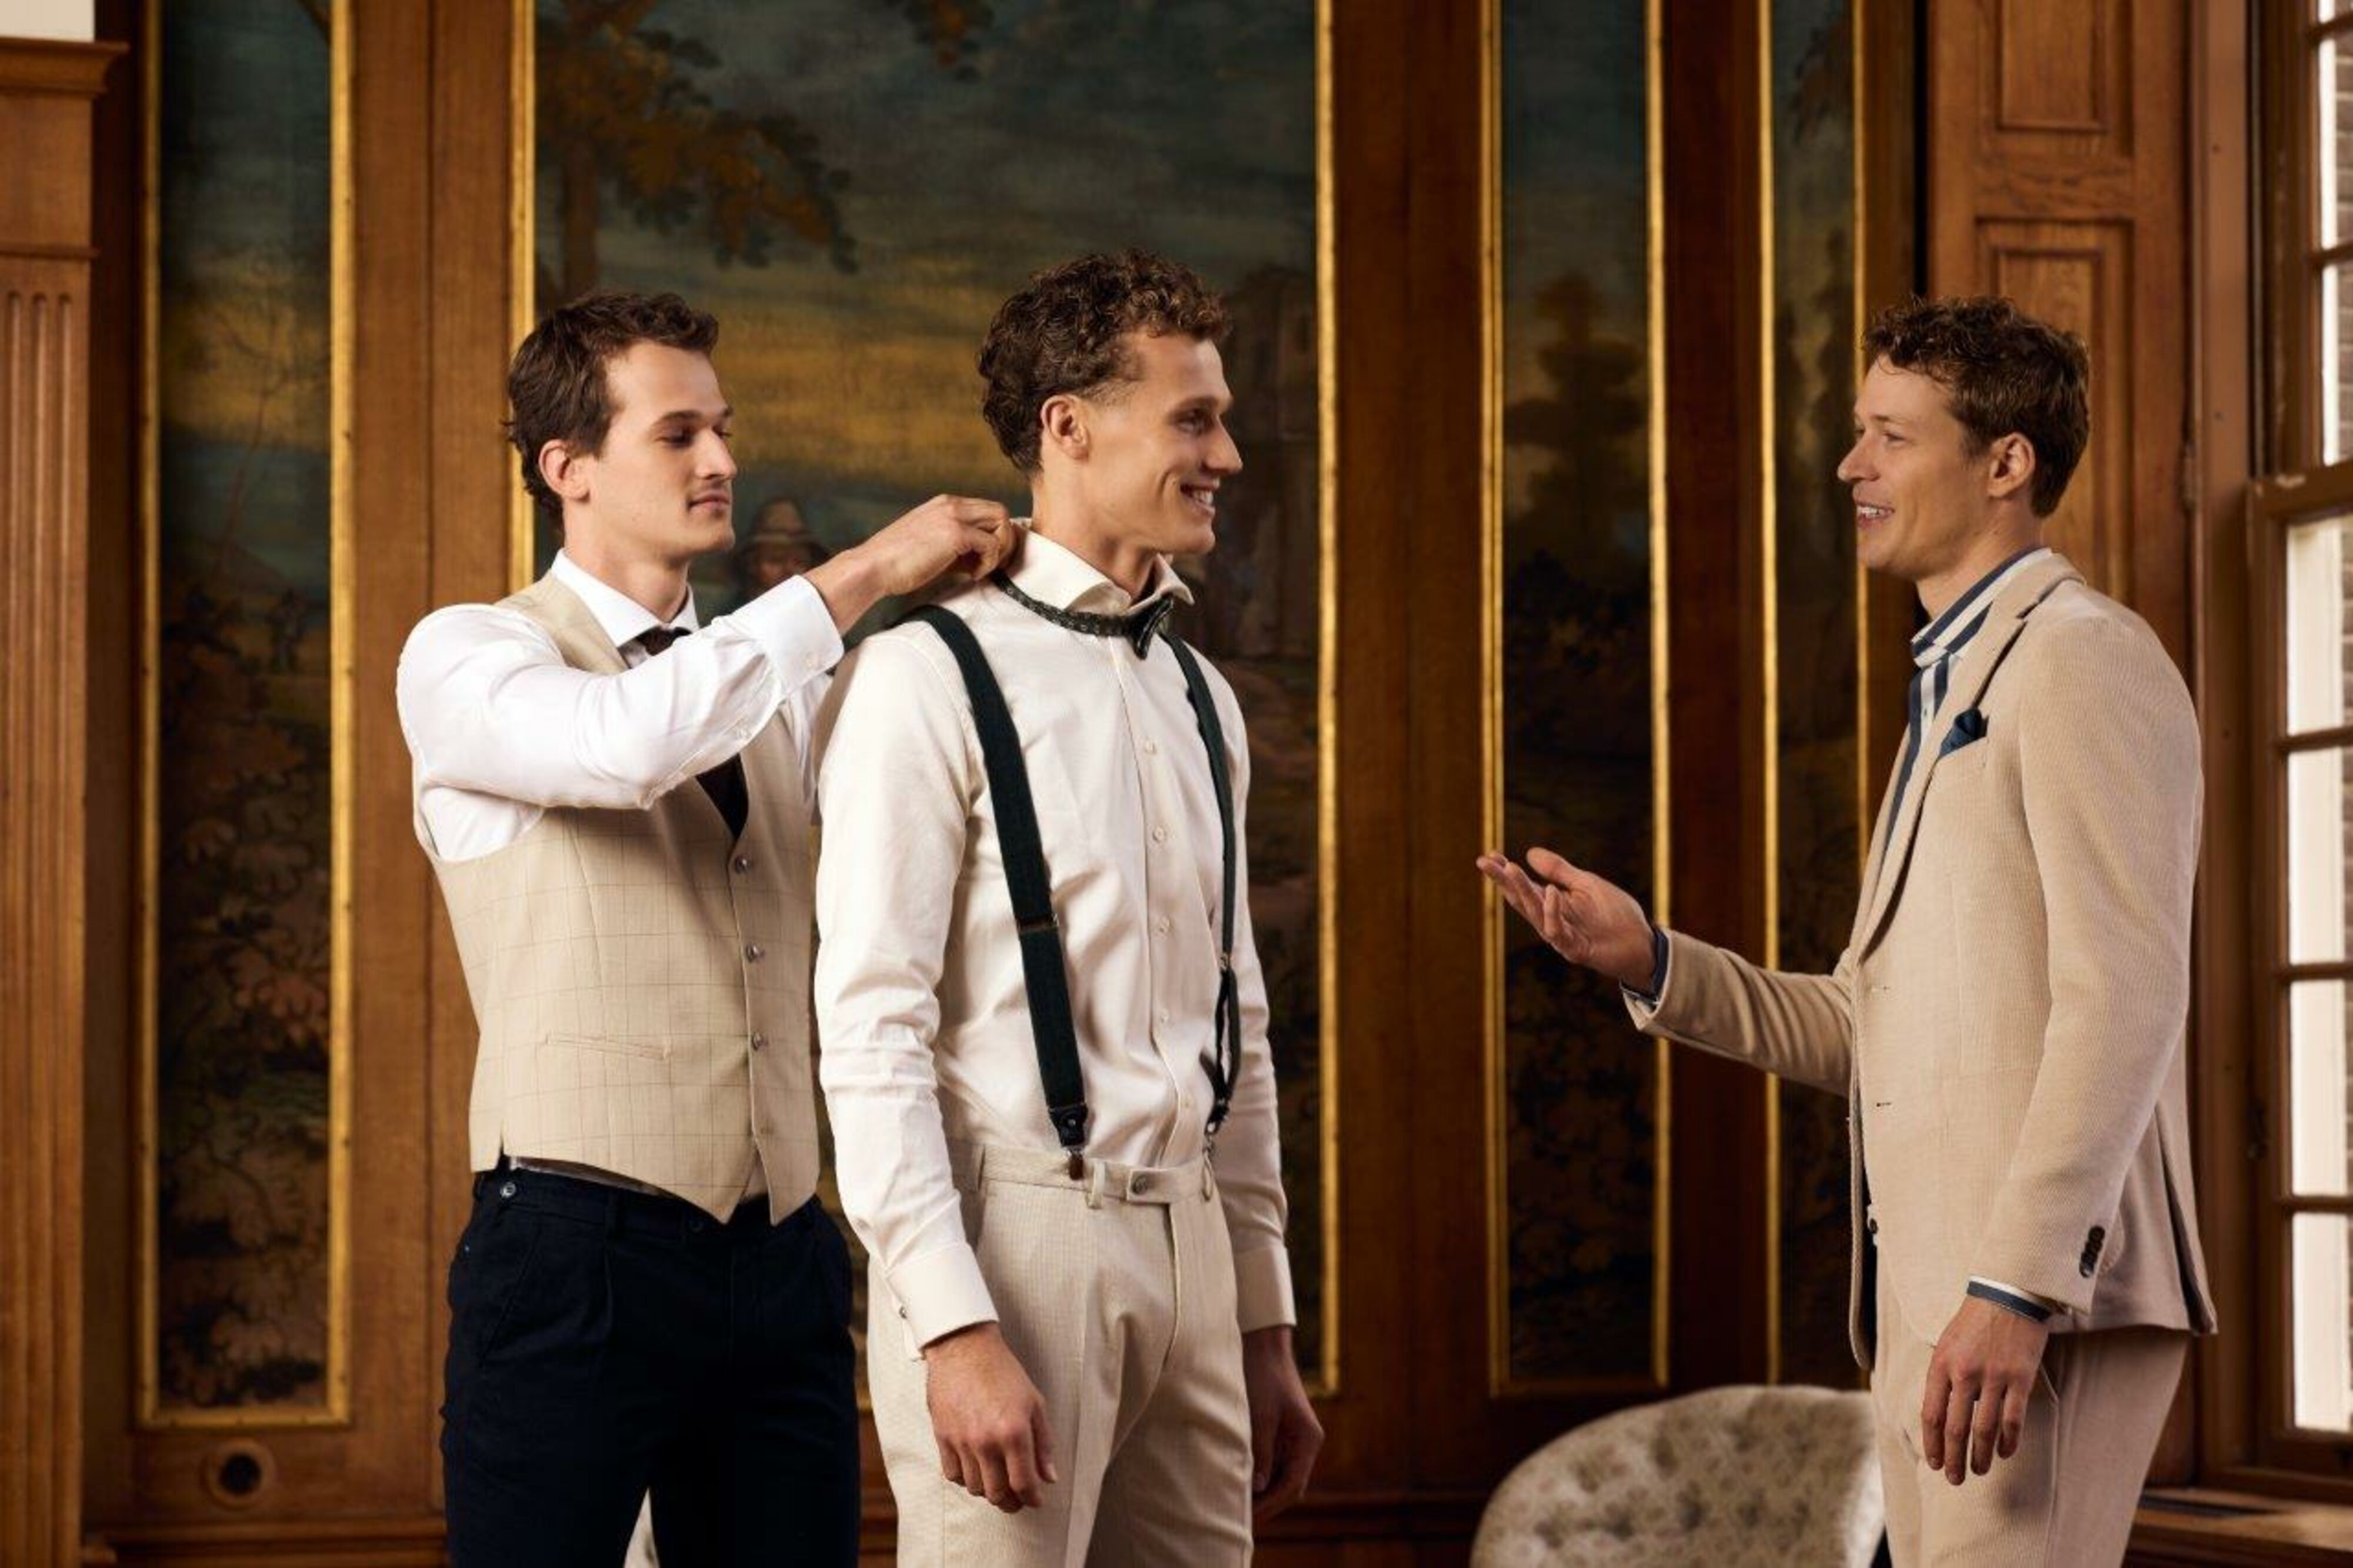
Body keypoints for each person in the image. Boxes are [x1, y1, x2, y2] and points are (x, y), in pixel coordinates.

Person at [1478, 296, 2215, 1566]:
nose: (1848, 465)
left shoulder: (2081, 659)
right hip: (1935, 1305)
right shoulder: (1956, 679)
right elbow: (1870, 1024)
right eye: (1858, 431)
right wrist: (1649, 958)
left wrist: (2015, 1287)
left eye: (1890, 435)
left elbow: (2126, 1001)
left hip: (2033, 1305)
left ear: (2005, 462)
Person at [397, 288, 1014, 1567]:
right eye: (678, 434)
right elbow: (628, 744)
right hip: (571, 1254)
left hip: (782, 1258)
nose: (721, 458)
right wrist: (869, 570)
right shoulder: (469, 656)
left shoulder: (773, 681)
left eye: (721, 428)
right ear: (565, 468)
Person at [813, 251, 1323, 1564]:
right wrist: (948, 1321)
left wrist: (1261, 1319)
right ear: (1068, 427)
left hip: (1195, 1244)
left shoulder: (1203, 696)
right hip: (1020, 1246)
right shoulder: (923, 674)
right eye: (1193, 420)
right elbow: (869, 1029)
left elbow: (1238, 1025)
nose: (1228, 457)